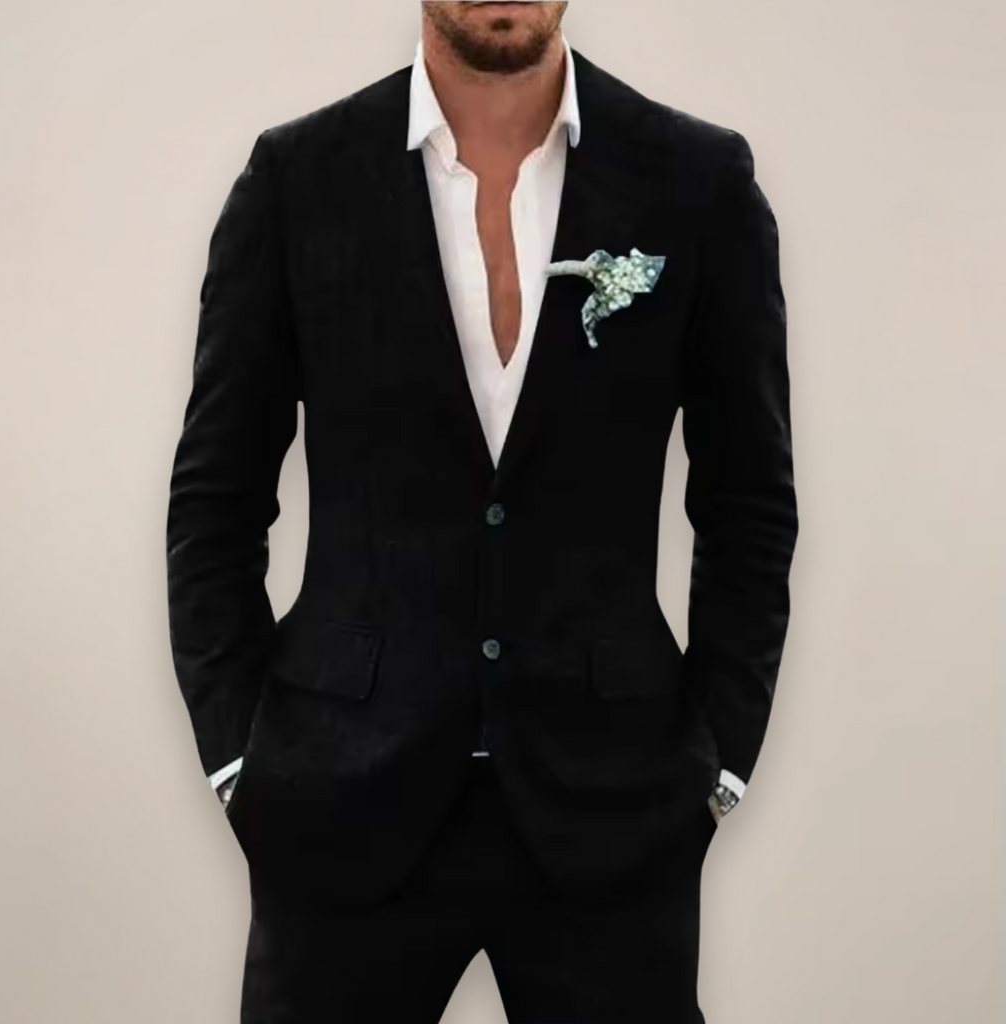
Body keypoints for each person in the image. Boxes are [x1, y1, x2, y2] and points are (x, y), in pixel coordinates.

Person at [166, 3, 798, 1021]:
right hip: (341, 801)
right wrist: (241, 758)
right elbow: (215, 499)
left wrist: (716, 765)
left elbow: (749, 503)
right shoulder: (299, 179)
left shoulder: (696, 180)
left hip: (611, 808)